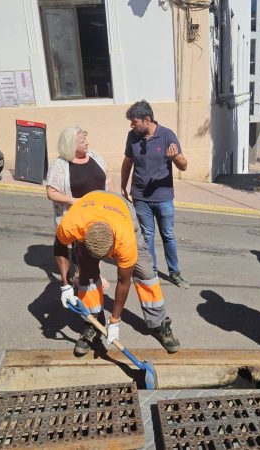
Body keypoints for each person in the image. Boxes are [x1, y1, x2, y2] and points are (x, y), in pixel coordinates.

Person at [56, 190, 180, 356]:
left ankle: (158, 324)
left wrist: (115, 321)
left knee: (145, 273)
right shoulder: (72, 224)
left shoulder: (125, 240)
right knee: (87, 273)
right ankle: (93, 323)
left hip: (121, 209)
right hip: (89, 207)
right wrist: (65, 285)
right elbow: (59, 247)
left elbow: (123, 280)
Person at [120, 100, 190, 289]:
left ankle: (174, 273)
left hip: (164, 197)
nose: (132, 125)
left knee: (168, 235)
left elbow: (184, 165)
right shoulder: (132, 137)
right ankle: (150, 272)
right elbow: (127, 163)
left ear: (147, 119)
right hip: (140, 197)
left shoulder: (167, 135)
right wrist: (122, 187)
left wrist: (174, 158)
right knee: (147, 236)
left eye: (135, 122)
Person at [46, 127, 111, 289]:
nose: (87, 143)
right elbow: (51, 192)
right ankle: (78, 275)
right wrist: (73, 200)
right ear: (70, 145)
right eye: (82, 141)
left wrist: (112, 201)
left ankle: (96, 273)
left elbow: (107, 179)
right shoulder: (60, 165)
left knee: (97, 244)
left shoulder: (94, 156)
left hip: (98, 212)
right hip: (75, 214)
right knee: (78, 247)